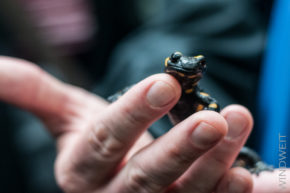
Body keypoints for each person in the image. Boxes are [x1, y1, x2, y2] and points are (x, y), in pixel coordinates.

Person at [0, 56, 289, 193]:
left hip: (221, 154)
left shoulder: (194, 94)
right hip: (191, 143)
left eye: (196, 65)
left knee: (242, 157)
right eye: (178, 61)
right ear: (168, 64)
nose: (186, 67)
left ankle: (259, 166)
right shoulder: (167, 86)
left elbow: (211, 105)